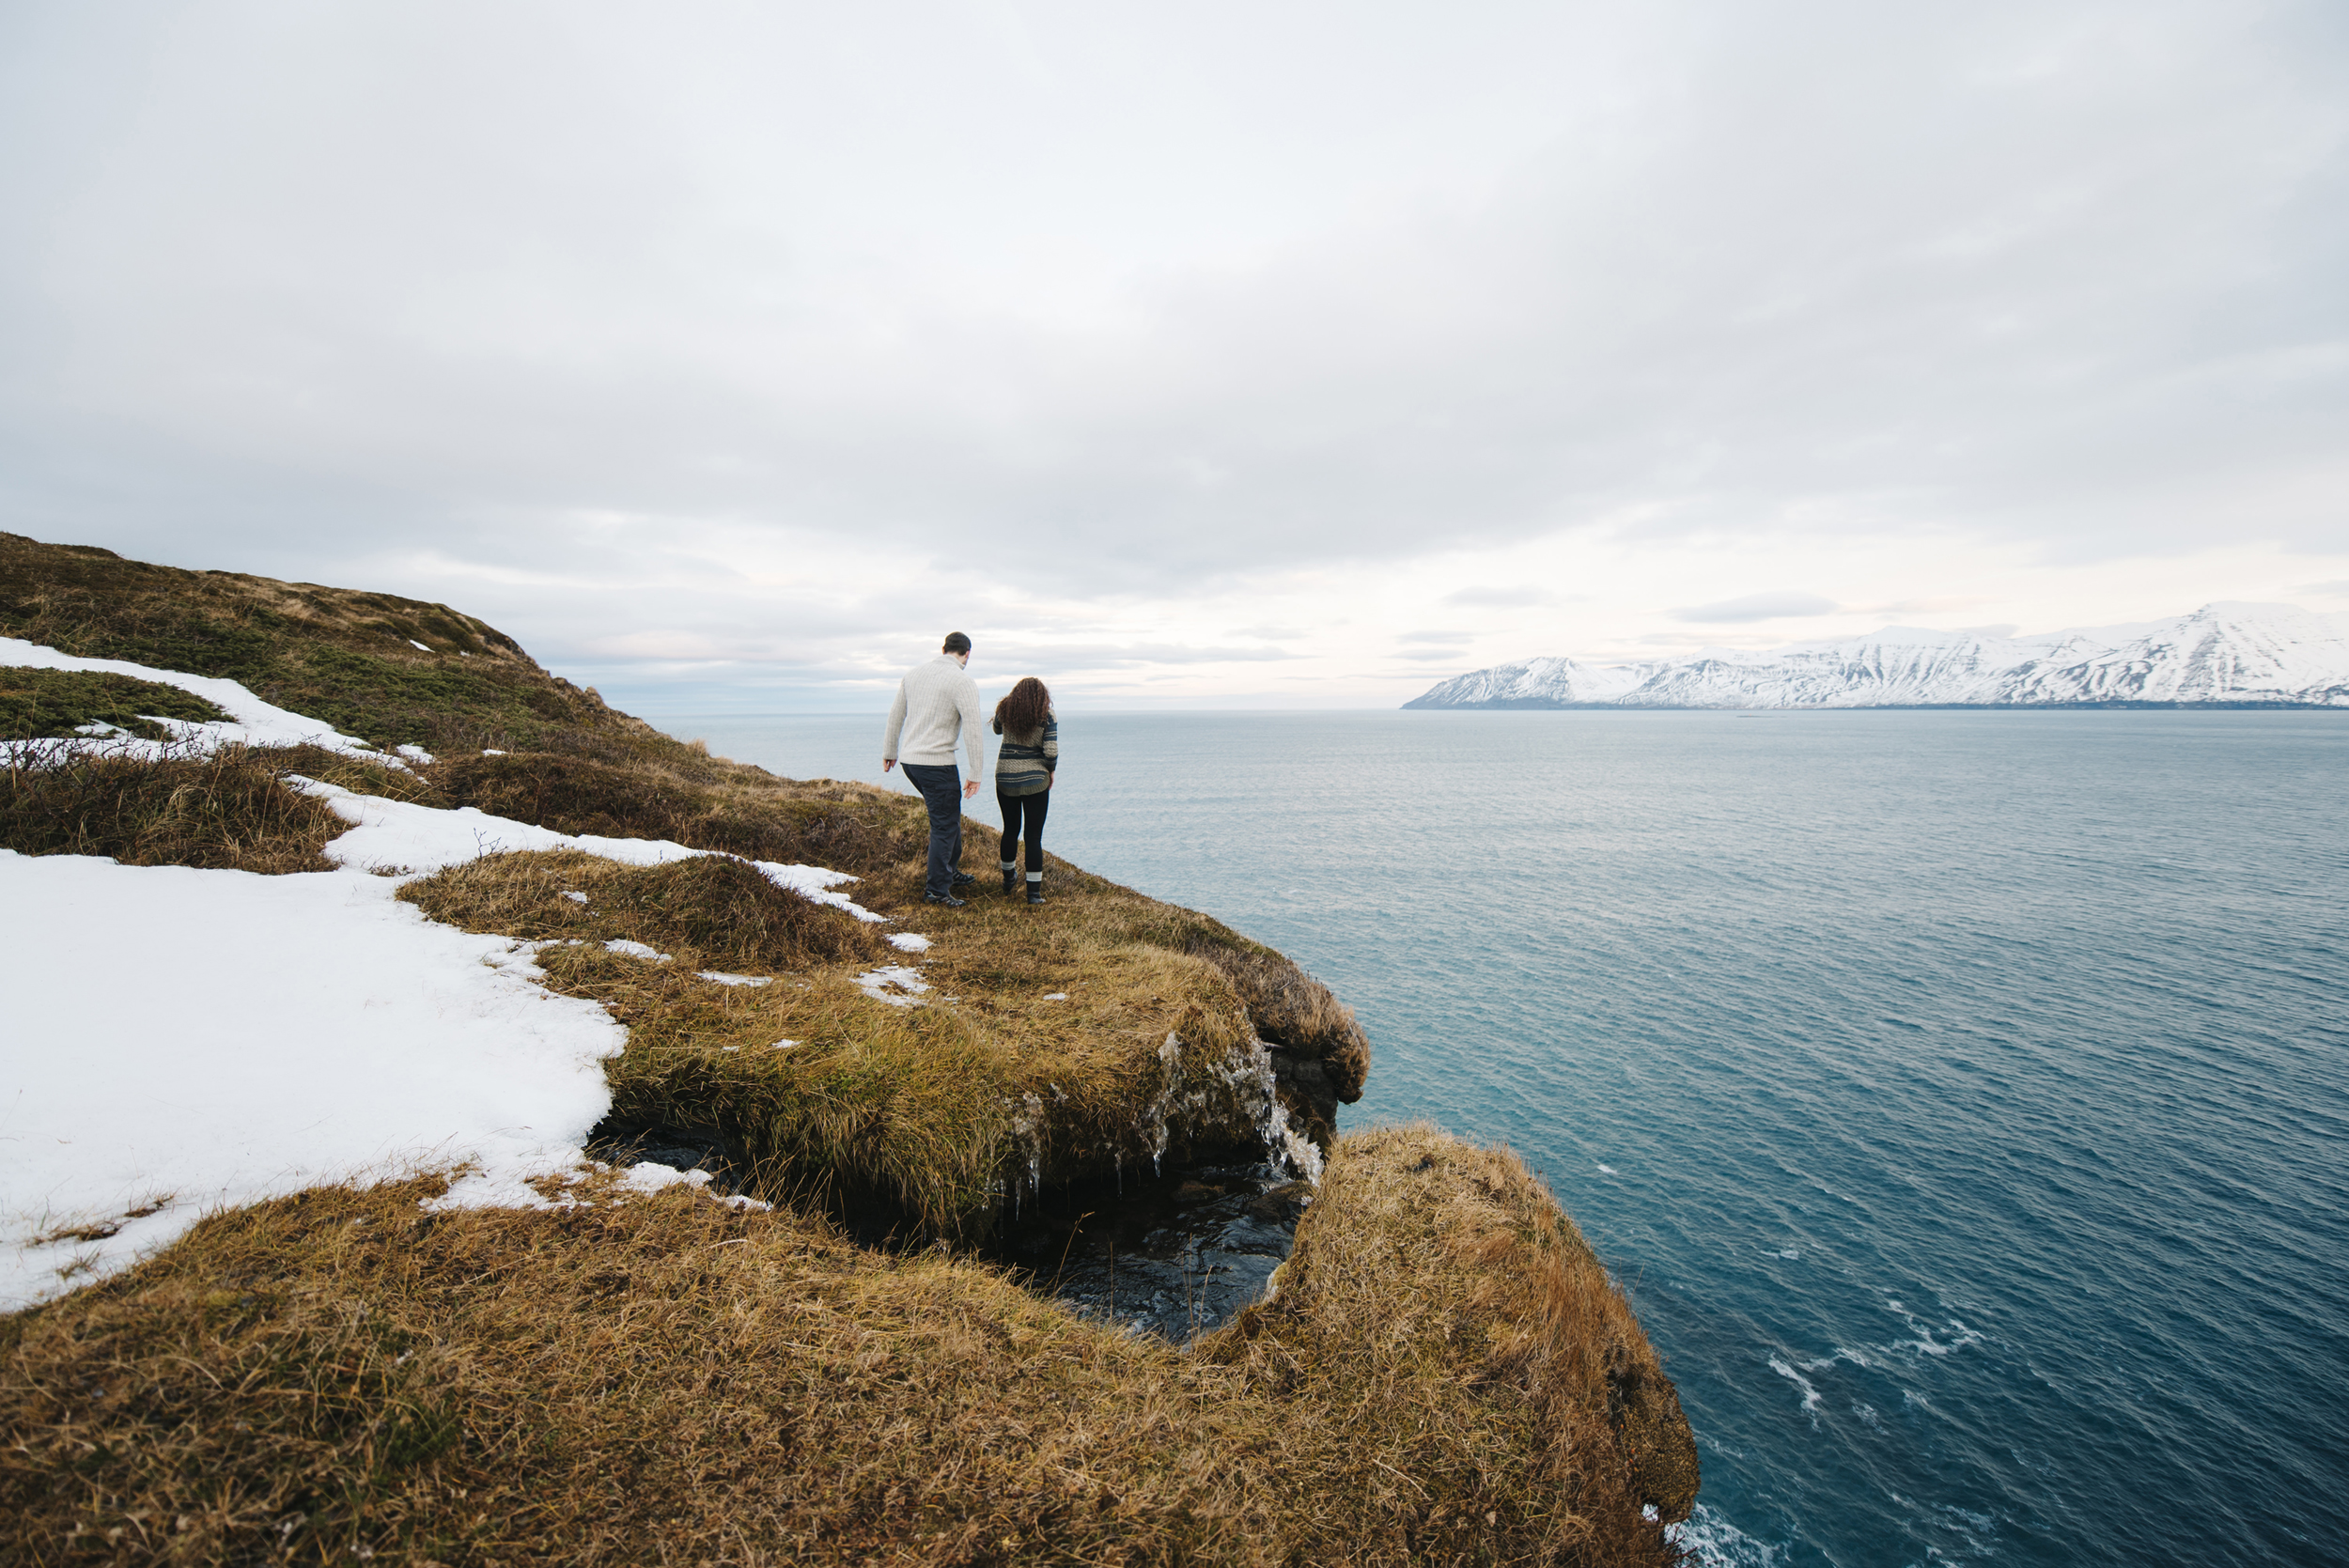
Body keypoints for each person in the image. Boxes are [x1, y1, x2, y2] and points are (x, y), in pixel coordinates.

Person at [882, 631, 986, 907]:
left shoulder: (913, 674)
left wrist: (889, 751)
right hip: (936, 762)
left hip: (910, 761)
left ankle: (948, 872)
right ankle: (937, 891)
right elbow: (973, 729)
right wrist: (976, 773)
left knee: (948, 816)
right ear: (967, 654)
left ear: (944, 649)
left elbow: (896, 714)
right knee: (944, 824)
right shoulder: (962, 681)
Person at [990, 676, 1058, 905]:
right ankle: (1033, 894)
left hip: (1005, 777)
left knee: (1010, 830)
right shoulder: (1046, 716)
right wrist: (1050, 771)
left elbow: (996, 730)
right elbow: (1050, 751)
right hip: (1036, 781)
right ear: (1043, 696)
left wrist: (1006, 709)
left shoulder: (1005, 710)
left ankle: (1009, 879)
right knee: (1033, 836)